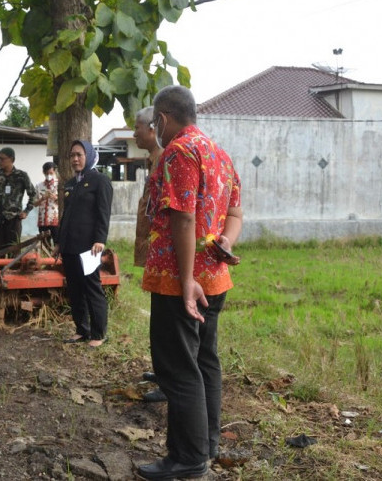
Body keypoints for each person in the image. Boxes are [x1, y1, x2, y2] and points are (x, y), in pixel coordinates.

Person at [138, 85, 242, 480]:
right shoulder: (219, 154)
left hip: (180, 282)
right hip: (215, 279)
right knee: (204, 362)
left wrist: (185, 281)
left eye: (154, 124)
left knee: (178, 369)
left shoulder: (179, 152)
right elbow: (235, 211)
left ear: (162, 119)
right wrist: (225, 242)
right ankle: (207, 443)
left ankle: (187, 458)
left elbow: (182, 219)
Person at [54, 140, 113, 348]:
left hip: (90, 247)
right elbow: (66, 216)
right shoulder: (71, 183)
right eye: (72, 155)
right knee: (75, 290)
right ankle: (82, 330)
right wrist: (59, 242)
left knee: (91, 288)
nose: (75, 159)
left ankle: (98, 333)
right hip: (70, 246)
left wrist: (100, 239)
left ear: (88, 156)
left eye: (79, 154)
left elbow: (103, 213)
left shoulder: (100, 181)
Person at [131, 106, 167, 403]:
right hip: (153, 246)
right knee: (159, 312)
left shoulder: (166, 160)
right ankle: (162, 368)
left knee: (166, 316)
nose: (134, 133)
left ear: (153, 128)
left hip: (163, 248)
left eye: (137, 128)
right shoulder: (153, 159)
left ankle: (169, 376)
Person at [0, 147, 36, 252]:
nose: (0, 162)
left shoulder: (22, 176)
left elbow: (33, 194)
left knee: (14, 249)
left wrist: (26, 211)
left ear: (11, 159)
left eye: (2, 159)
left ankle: (14, 268)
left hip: (14, 218)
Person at [34, 161, 59, 245]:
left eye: (51, 173)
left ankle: (57, 258)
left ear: (54, 172)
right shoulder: (39, 186)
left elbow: (63, 203)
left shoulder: (59, 185)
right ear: (43, 173)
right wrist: (42, 198)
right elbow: (34, 203)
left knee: (57, 243)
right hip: (43, 221)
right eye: (47, 173)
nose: (49, 175)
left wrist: (54, 197)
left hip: (55, 220)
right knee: (45, 244)